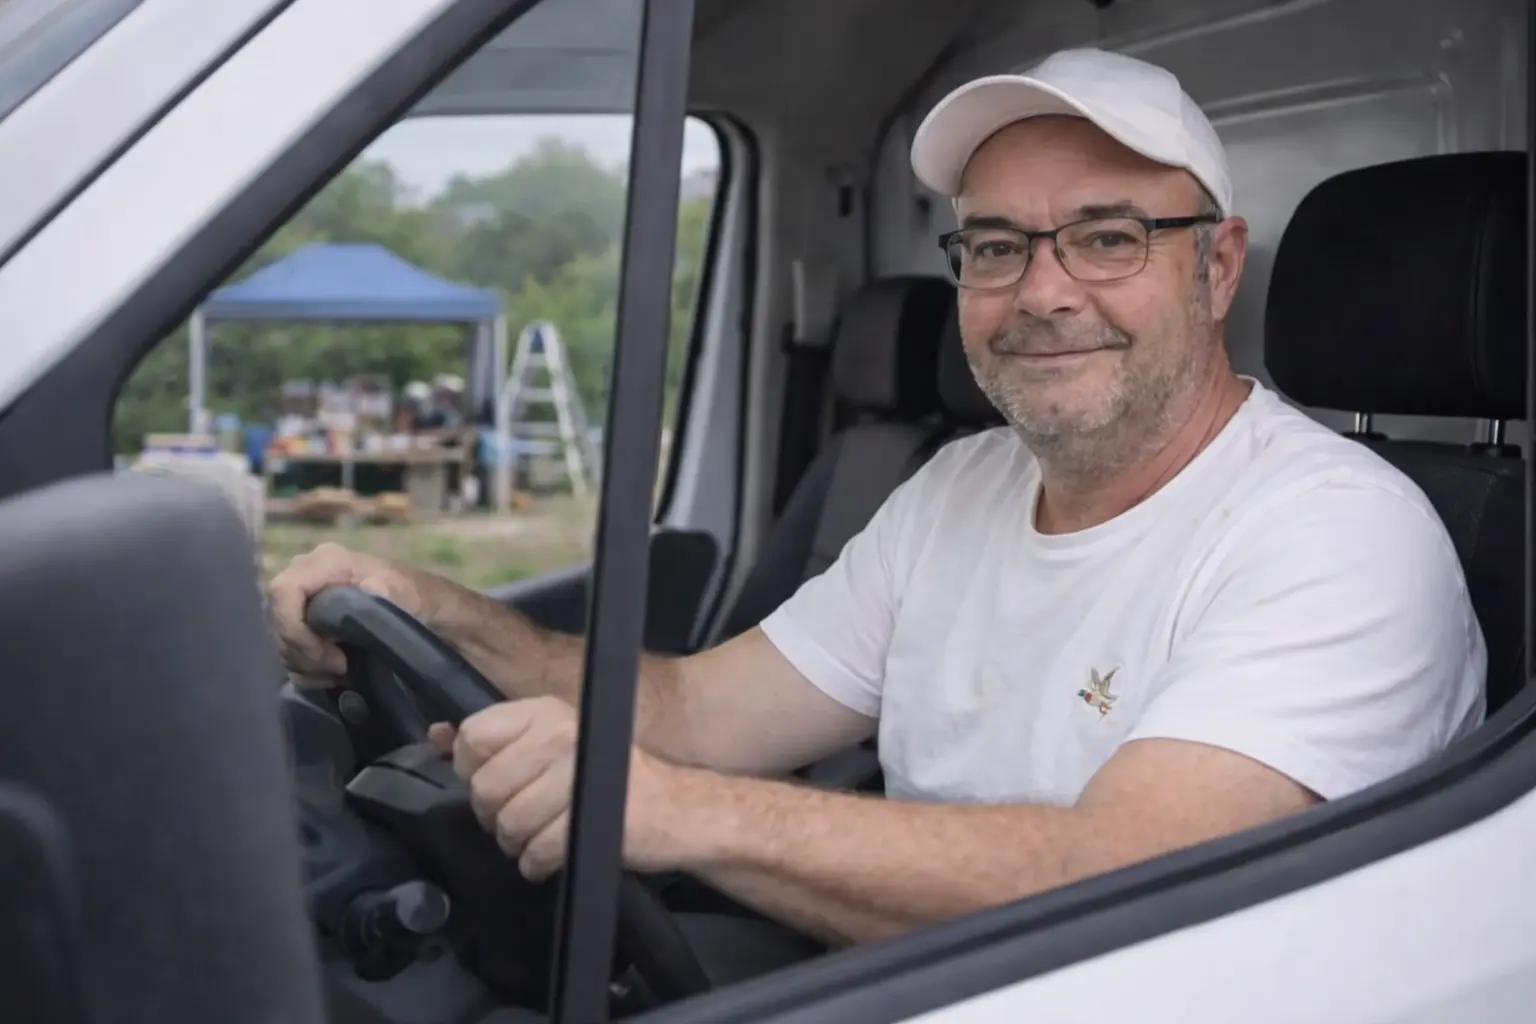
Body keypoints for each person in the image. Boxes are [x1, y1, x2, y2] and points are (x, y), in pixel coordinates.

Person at [268, 47, 1485, 947]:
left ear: (1216, 267)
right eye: (997, 246)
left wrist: (675, 815)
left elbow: (1127, 876)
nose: (1043, 292)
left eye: (1109, 237)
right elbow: (695, 713)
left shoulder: (1336, 533)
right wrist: (439, 610)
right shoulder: (959, 487)